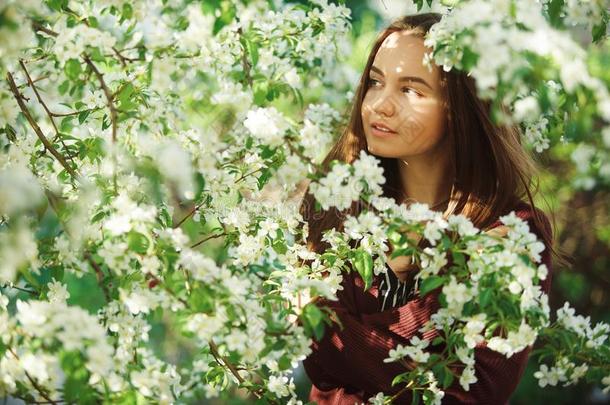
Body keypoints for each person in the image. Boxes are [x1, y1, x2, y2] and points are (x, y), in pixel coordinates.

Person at [298, 12, 559, 404]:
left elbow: (476, 389)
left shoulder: (512, 233)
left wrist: (323, 322)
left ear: (459, 109)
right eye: (375, 82)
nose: (380, 105)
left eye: (412, 90)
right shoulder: (335, 202)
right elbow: (321, 363)